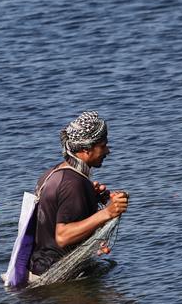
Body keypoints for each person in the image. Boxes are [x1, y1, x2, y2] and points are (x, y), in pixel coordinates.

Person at [28, 111, 129, 278]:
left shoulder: (53, 174)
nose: (107, 151)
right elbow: (63, 236)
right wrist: (108, 212)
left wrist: (90, 198)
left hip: (38, 268)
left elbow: (54, 218)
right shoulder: (73, 183)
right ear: (86, 149)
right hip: (56, 276)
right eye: (103, 146)